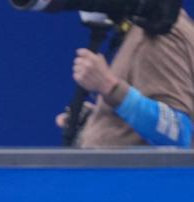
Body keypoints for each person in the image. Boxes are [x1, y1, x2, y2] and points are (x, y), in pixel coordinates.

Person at [60, 4, 194, 147]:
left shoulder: (160, 29)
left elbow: (180, 132)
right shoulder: (148, 24)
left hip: (134, 169)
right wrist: (95, 118)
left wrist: (109, 87)